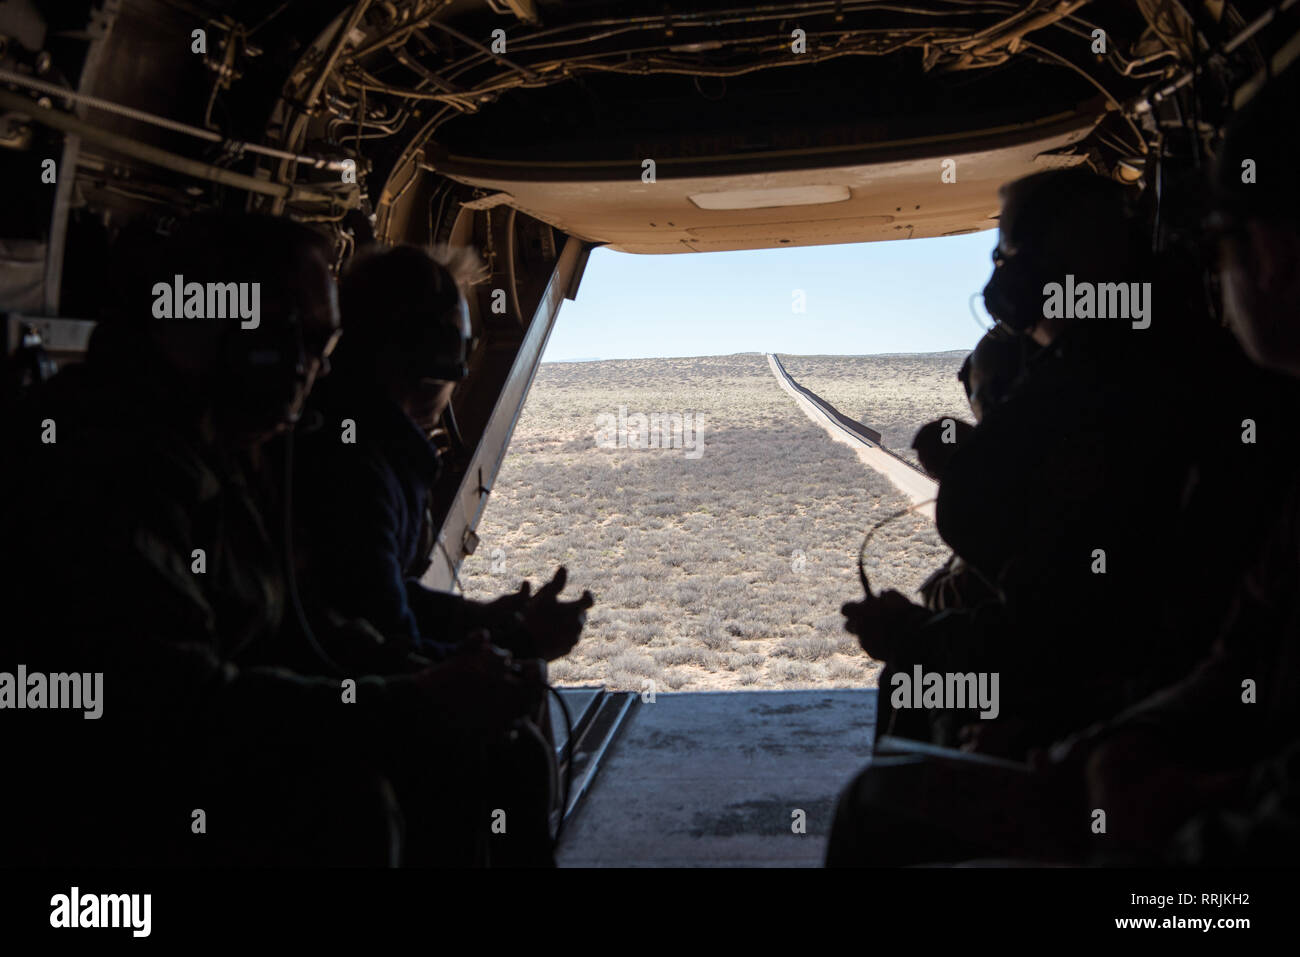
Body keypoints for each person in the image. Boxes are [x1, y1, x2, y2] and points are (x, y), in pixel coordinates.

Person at [0, 213, 544, 866]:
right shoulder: (105, 461)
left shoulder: (225, 448)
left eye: (328, 343)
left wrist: (424, 680)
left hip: (200, 746)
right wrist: (412, 700)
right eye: (304, 340)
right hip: (99, 795)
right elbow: (177, 709)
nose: (314, 368)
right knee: (357, 808)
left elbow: (305, 621)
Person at [285, 243, 594, 674]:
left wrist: (482, 619)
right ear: (436, 359)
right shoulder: (358, 472)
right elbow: (390, 660)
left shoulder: (347, 442)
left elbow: (379, 597)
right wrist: (522, 643)